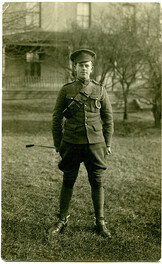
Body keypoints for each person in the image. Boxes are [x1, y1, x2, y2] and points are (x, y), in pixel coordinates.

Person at [50, 49, 114, 240]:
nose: (83, 69)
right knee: (68, 180)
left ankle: (100, 221)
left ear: (91, 68)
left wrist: (108, 143)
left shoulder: (100, 90)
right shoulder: (66, 89)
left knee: (97, 181)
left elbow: (108, 119)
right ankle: (62, 219)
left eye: (87, 66)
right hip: (70, 143)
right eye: (80, 66)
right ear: (74, 68)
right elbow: (56, 118)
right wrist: (58, 143)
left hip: (95, 145)